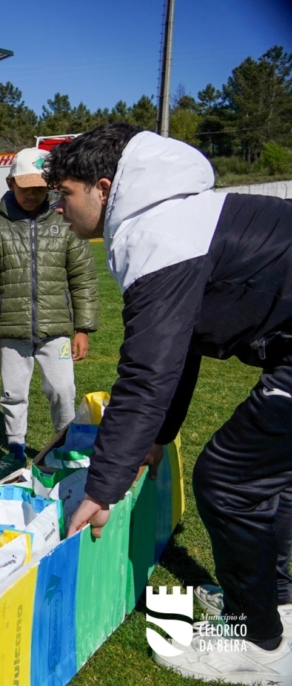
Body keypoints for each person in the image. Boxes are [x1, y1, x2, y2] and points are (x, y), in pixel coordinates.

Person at [51, 123, 292, 682]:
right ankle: (272, 607)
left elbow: (146, 373)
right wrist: (158, 437)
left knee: (230, 479)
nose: (59, 208)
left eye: (64, 194)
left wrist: (103, 485)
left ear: (103, 187)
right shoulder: (174, 216)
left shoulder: (158, 231)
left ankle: (261, 646)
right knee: (262, 481)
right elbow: (179, 352)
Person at [0, 148, 99, 483]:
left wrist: (83, 327)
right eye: (26, 185)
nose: (32, 193)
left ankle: (66, 447)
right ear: (10, 182)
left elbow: (83, 277)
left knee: (62, 390)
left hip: (56, 331)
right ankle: (15, 450)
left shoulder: (64, 222)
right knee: (13, 393)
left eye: (40, 187)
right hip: (11, 332)